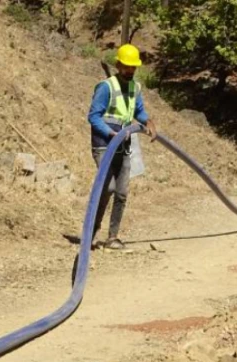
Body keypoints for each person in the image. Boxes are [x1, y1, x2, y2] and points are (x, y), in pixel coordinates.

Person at [87, 43, 158, 250]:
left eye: (133, 67)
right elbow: (93, 117)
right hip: (103, 144)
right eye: (126, 66)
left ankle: (112, 237)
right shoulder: (106, 87)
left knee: (121, 192)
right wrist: (111, 133)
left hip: (124, 144)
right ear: (118, 65)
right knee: (107, 188)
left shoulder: (135, 87)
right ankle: (90, 234)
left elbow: (139, 111)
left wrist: (148, 121)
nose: (130, 70)